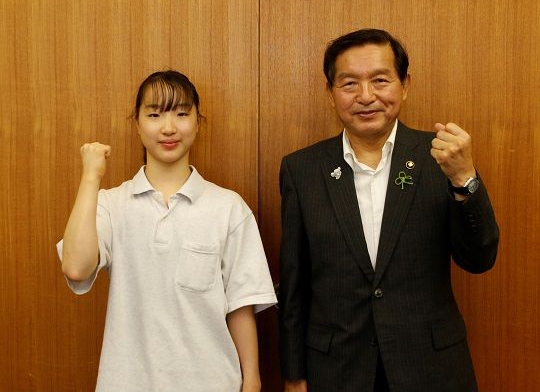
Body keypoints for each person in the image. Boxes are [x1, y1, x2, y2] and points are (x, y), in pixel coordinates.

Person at [278, 29, 499, 392]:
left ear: (404, 85)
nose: (366, 96)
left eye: (380, 80)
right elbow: (294, 282)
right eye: (349, 83)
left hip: (430, 369)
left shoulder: (441, 158)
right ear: (330, 92)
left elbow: (479, 258)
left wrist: (464, 179)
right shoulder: (302, 170)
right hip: (337, 370)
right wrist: (293, 374)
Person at [57, 70, 277, 392]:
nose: (169, 127)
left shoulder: (228, 208)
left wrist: (252, 381)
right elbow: (76, 268)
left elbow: (241, 305)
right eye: (155, 114)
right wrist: (91, 176)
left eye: (182, 114)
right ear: (137, 123)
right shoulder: (111, 205)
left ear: (198, 122)